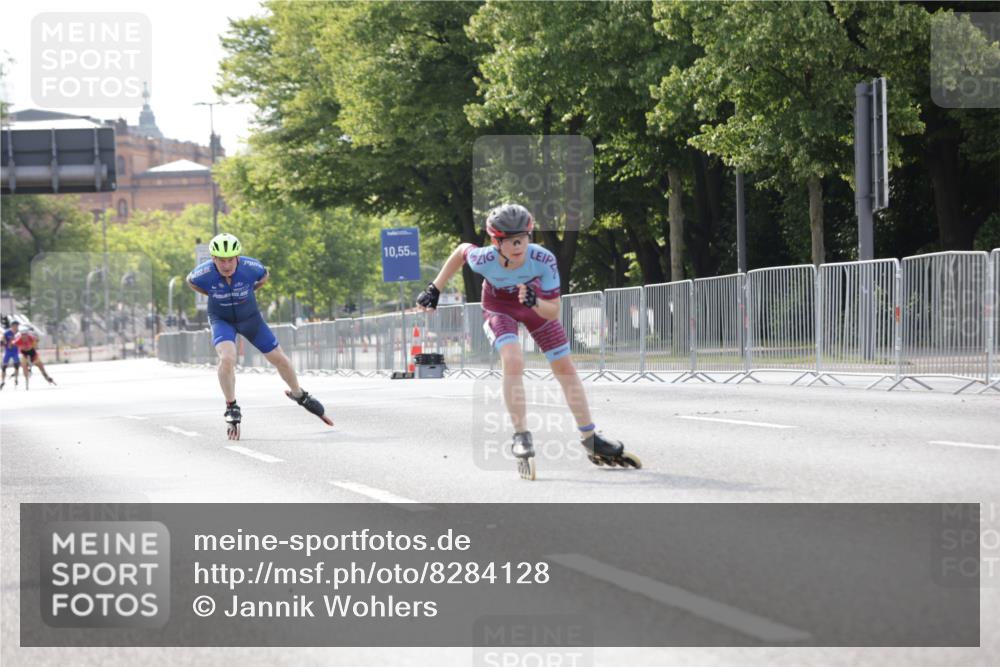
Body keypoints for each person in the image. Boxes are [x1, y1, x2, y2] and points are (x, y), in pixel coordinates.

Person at [416, 203, 640, 479]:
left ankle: (591, 438)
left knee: (565, 368)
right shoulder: (483, 259)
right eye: (511, 241)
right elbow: (462, 251)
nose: (519, 246)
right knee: (513, 359)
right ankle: (521, 435)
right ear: (496, 242)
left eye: (523, 238)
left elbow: (553, 310)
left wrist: (534, 301)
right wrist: (434, 288)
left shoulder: (543, 259)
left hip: (535, 304)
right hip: (498, 307)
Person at [186, 232, 333, 439]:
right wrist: (210, 294)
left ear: (237, 257)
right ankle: (231, 406)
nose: (226, 265)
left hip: (250, 319)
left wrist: (250, 290)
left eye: (230, 260)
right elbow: (190, 282)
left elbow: (264, 277)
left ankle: (299, 394)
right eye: (221, 260)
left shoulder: (251, 267)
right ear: (213, 259)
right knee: (227, 358)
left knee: (279, 358)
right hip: (222, 320)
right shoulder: (203, 274)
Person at [13, 324, 56, 389]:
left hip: (32, 351)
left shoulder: (31, 336)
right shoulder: (18, 339)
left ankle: (47, 377)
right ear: (20, 335)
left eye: (25, 335)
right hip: (23, 352)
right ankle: (26, 378)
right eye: (22, 335)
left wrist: (34, 344)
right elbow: (14, 345)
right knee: (23, 364)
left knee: (40, 365)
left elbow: (36, 343)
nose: (24, 337)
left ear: (27, 334)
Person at [1, 317, 22, 390]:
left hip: (15, 352)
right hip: (7, 352)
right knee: (4, 367)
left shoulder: (19, 333)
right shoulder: (7, 332)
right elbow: (3, 339)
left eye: (17, 325)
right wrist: (4, 342)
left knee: (16, 366)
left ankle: (16, 379)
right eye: (14, 325)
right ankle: (2, 381)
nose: (15, 327)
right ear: (11, 326)